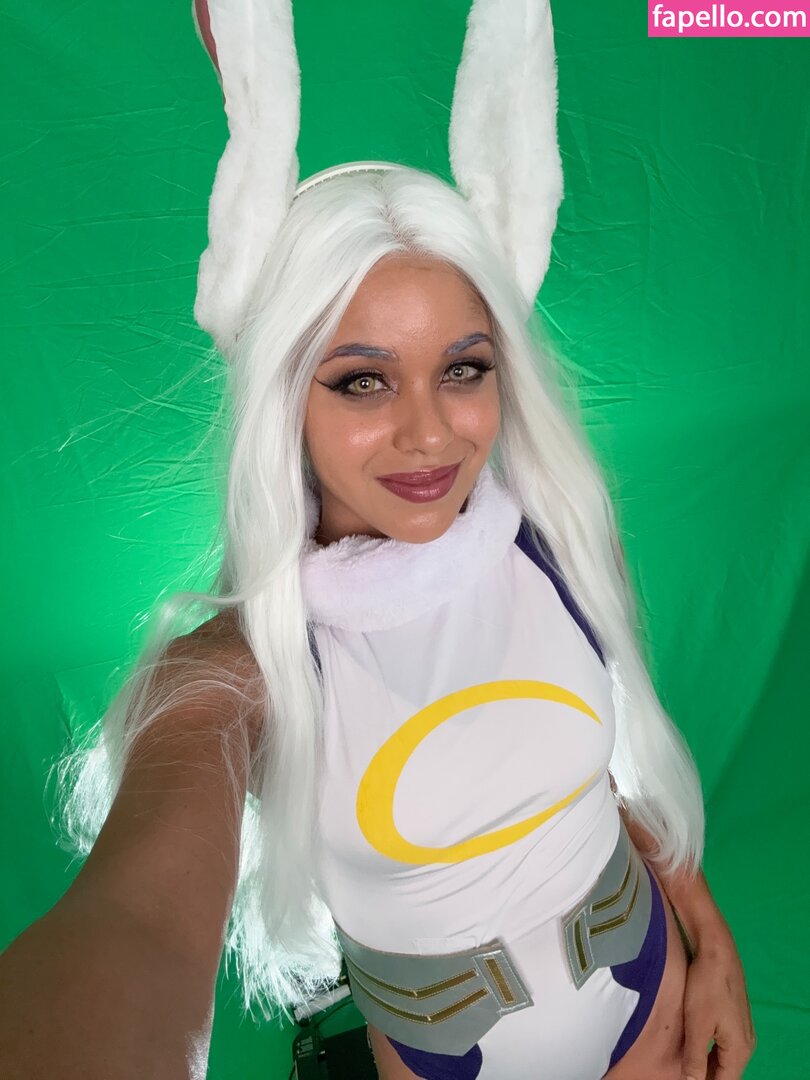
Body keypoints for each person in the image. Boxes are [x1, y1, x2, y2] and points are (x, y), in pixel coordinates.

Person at [0, 2, 756, 1079]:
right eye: (362, 381)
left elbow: (595, 778)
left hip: (656, 1007)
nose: (431, 434)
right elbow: (134, 931)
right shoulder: (240, 671)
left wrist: (711, 942)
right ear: (283, 399)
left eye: (463, 369)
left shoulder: (548, 538)